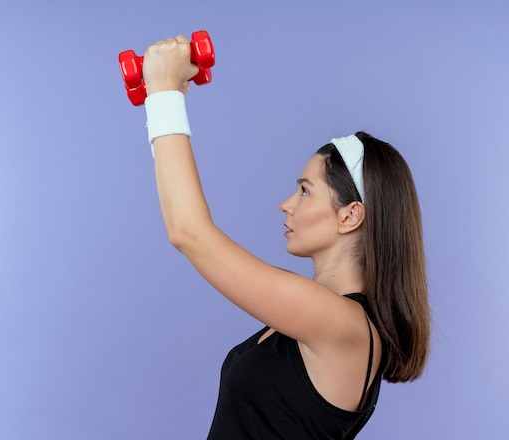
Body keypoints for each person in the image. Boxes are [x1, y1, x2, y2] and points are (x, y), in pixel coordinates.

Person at [140, 35, 431, 439]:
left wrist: (163, 94)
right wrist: (162, 95)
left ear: (350, 215)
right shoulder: (313, 317)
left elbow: (189, 233)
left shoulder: (342, 325)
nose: (286, 204)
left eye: (305, 190)